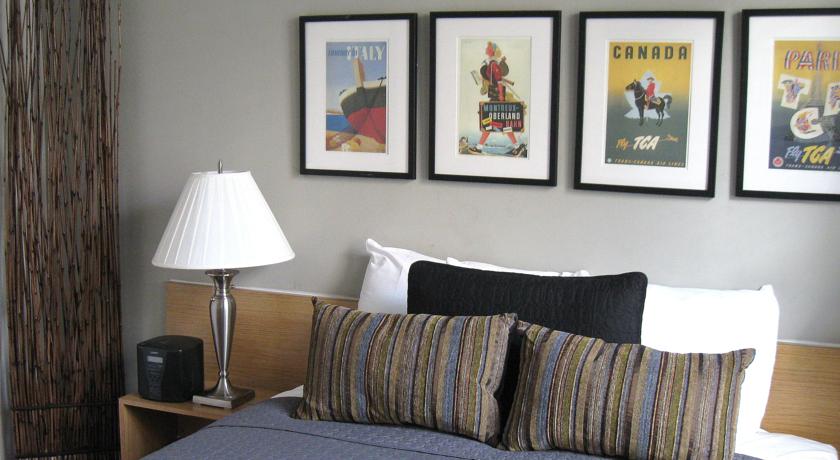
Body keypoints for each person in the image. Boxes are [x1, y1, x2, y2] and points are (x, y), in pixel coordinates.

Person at [472, 42, 525, 156]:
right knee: (501, 124)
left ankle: (479, 147)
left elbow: (499, 81)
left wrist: (501, 96)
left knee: (488, 121)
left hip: (497, 98)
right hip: (495, 97)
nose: (486, 48)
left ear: (493, 50)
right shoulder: (490, 63)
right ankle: (517, 146)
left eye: (488, 47)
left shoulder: (493, 64)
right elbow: (492, 79)